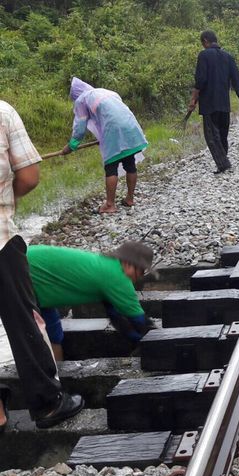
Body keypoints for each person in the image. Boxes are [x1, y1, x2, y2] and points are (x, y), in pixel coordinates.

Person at [0, 100, 83, 430]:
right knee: (24, 320)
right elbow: (30, 175)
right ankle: (47, 403)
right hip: (1, 238)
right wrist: (9, 202)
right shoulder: (3, 112)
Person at [27, 241, 156, 361]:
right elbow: (140, 321)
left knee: (54, 335)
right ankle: (42, 380)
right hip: (23, 269)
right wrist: (157, 338)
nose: (140, 277)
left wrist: (138, 340)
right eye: (141, 271)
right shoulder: (117, 277)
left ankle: (57, 378)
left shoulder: (107, 265)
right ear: (129, 264)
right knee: (30, 337)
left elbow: (116, 316)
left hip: (35, 269)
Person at [62, 77, 148, 214]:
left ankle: (110, 204)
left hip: (114, 129)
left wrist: (71, 146)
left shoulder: (81, 100)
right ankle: (130, 199)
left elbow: (80, 126)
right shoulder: (104, 91)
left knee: (111, 166)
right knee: (130, 163)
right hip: (130, 125)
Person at [188, 30, 239, 174]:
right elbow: (237, 81)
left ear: (205, 41)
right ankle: (223, 163)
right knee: (222, 135)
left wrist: (193, 99)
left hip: (209, 104)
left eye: (202, 43)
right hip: (224, 104)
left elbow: (200, 81)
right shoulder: (228, 57)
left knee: (211, 136)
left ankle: (223, 164)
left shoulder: (203, 55)